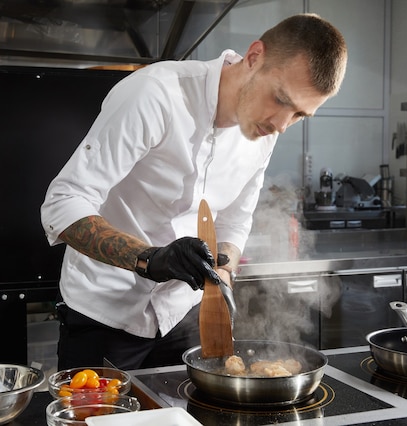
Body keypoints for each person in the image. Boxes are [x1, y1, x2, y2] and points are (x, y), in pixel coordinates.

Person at [41, 13, 347, 370]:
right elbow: (62, 205)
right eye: (280, 99)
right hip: (104, 316)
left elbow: (234, 221)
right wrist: (150, 258)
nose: (281, 125)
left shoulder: (263, 132)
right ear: (254, 56)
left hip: (182, 319)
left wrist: (224, 272)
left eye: (298, 115)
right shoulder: (154, 94)